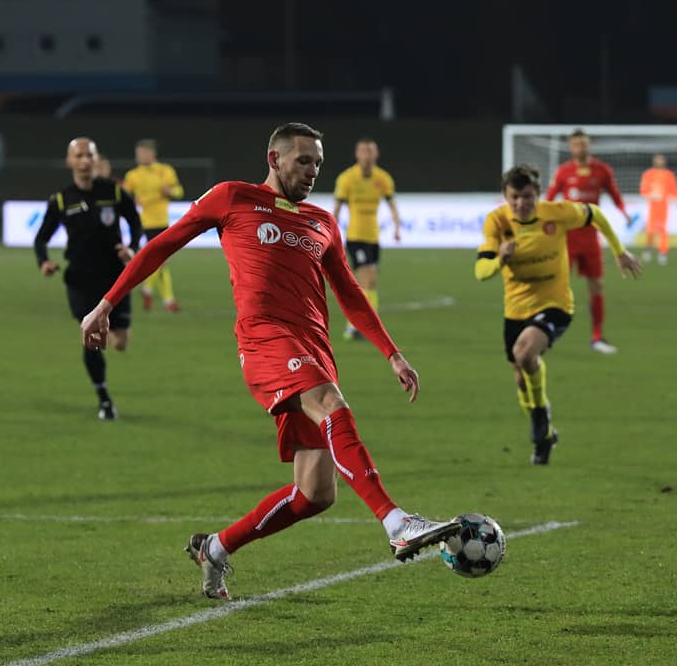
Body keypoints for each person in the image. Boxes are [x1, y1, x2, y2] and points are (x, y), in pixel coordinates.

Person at [80, 122, 462, 600]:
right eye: (304, 161)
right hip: (265, 340)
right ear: (274, 158)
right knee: (331, 404)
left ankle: (215, 548)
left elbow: (350, 293)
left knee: (315, 494)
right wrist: (106, 304)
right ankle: (396, 520)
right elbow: (162, 245)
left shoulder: (322, 222)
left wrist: (393, 353)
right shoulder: (231, 198)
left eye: (319, 163)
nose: (313, 171)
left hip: (314, 347)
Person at [478, 166, 641, 465]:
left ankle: (541, 415)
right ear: (505, 196)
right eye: (514, 197)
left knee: (525, 353)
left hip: (555, 305)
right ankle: (545, 435)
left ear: (537, 195)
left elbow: (595, 214)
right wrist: (500, 259)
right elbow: (480, 272)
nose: (521, 204)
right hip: (515, 310)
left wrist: (619, 251)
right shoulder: (496, 222)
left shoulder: (557, 213)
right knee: (521, 379)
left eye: (527, 197)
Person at [35, 137, 142, 421]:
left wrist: (131, 245)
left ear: (96, 160)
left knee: (120, 342)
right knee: (93, 338)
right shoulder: (61, 199)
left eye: (89, 156)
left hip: (115, 276)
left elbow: (135, 221)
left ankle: (104, 390)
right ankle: (104, 399)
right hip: (80, 279)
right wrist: (43, 261)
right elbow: (41, 238)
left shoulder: (114, 193)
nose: (84, 161)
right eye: (78, 156)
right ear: (70, 161)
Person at [545, 128, 631, 353]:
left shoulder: (602, 170)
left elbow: (614, 194)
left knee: (597, 285)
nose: (580, 148)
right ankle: (546, 331)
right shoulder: (563, 172)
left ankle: (597, 337)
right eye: (576, 144)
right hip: (567, 237)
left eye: (584, 144)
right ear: (570, 147)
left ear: (589, 145)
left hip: (591, 236)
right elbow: (550, 199)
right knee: (558, 286)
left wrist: (624, 211)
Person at [333, 138, 402, 341]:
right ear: (357, 155)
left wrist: (397, 227)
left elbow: (392, 204)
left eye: (370, 151)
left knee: (371, 283)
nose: (367, 155)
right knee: (365, 280)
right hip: (355, 237)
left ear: (376, 154)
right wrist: (330, 233)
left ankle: (364, 326)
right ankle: (354, 326)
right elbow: (336, 209)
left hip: (373, 237)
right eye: (364, 151)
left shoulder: (383, 178)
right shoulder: (347, 178)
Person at [121, 139, 185, 312]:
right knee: (161, 260)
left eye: (142, 153)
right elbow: (125, 197)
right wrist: (131, 201)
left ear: (152, 154)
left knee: (161, 261)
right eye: (138, 154)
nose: (139, 157)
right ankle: (166, 299)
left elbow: (180, 191)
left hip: (162, 221)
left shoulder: (165, 171)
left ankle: (151, 290)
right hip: (146, 223)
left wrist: (170, 192)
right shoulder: (133, 175)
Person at [639, 153, 677, 265]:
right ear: (654, 161)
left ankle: (663, 252)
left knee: (662, 229)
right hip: (652, 205)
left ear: (664, 161)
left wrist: (676, 197)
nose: (659, 162)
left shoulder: (669, 174)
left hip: (664, 206)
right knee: (650, 230)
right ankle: (648, 249)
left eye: (661, 160)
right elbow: (643, 191)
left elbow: (674, 190)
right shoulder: (648, 174)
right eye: (657, 160)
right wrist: (650, 195)